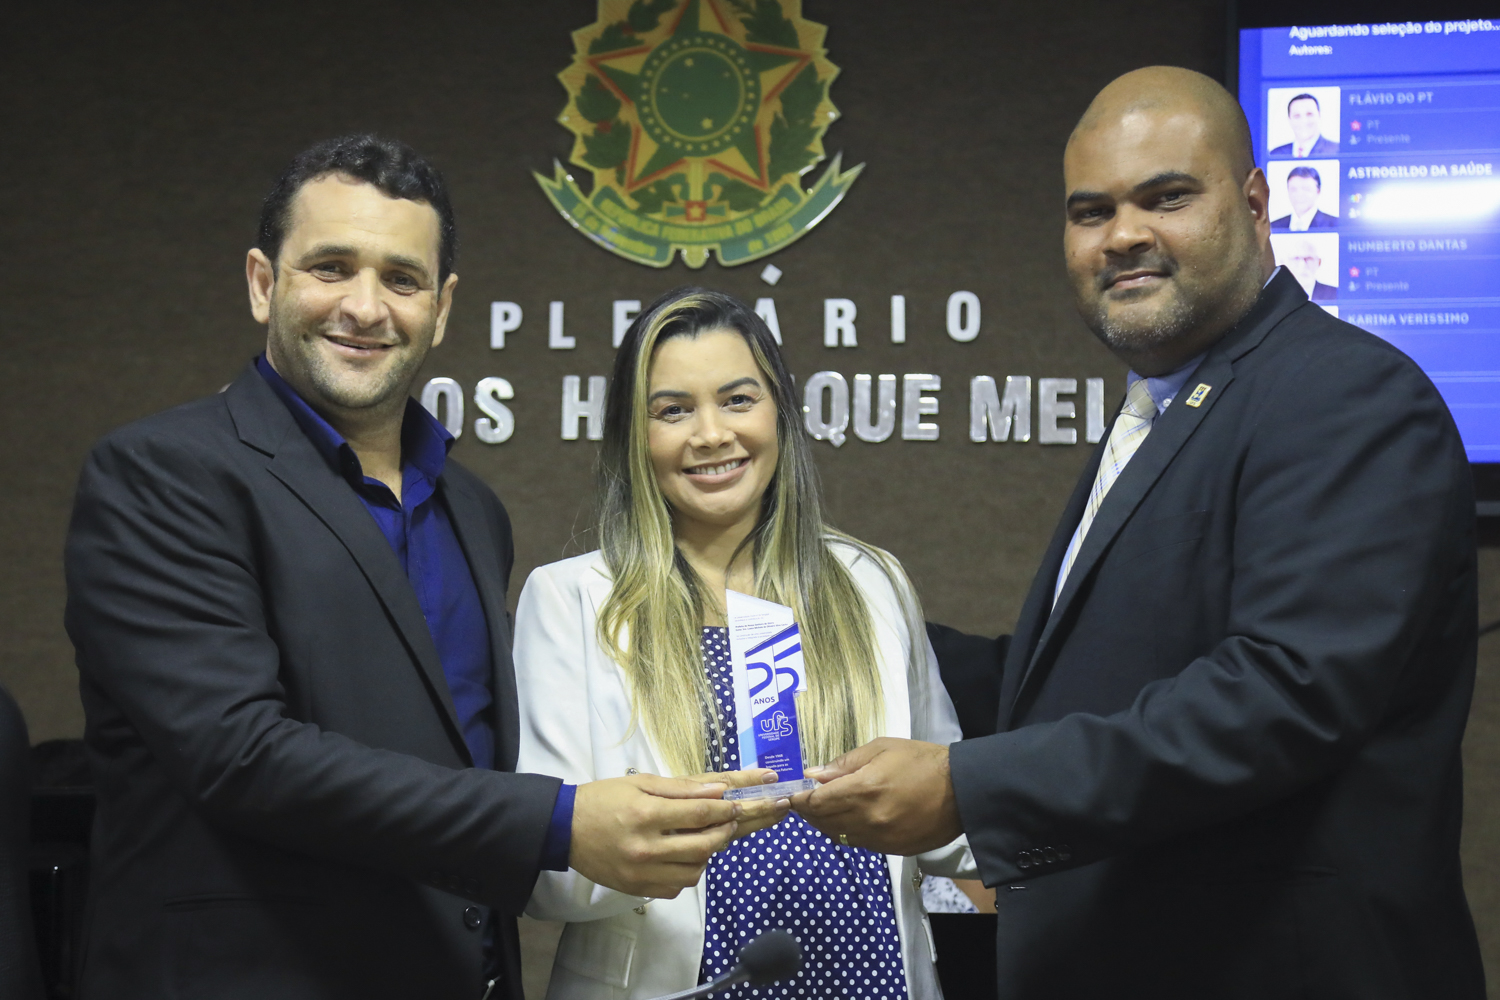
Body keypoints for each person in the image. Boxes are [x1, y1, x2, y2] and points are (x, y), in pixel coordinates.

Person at [792, 66, 1484, 999]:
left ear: (1254, 202)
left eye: (1167, 198)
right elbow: (1087, 690)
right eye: (1091, 211)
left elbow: (1280, 697)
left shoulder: (1345, 396)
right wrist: (844, 625)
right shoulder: (1163, 409)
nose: (1123, 235)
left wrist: (969, 787)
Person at [63, 135, 747, 1000]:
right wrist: (562, 822)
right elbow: (239, 755)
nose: (365, 306)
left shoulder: (473, 510)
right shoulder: (163, 472)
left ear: (443, 306)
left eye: (401, 278)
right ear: (262, 282)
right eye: (330, 267)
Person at [513, 289, 974, 999]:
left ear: (781, 415)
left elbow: (943, 811)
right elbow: (550, 877)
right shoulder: (570, 599)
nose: (710, 434)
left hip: (871, 977)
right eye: (672, 410)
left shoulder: (872, 580)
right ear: (633, 436)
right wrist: (680, 826)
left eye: (737, 399)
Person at [1269, 92, 1339, 157]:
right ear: (1289, 119)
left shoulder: (1337, 150)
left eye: (1309, 114)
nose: (1303, 121)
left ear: (1319, 115)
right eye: (1297, 116)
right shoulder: (1275, 153)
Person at [1270, 165, 1337, 230]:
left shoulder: (1335, 224)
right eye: (1294, 189)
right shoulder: (1273, 226)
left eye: (1306, 189)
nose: (1299, 194)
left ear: (1318, 191)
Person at [1282, 236, 1338, 300]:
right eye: (1296, 258)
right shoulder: (1276, 296)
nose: (1303, 265)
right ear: (1284, 263)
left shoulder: (1335, 293)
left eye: (1309, 259)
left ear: (1319, 262)